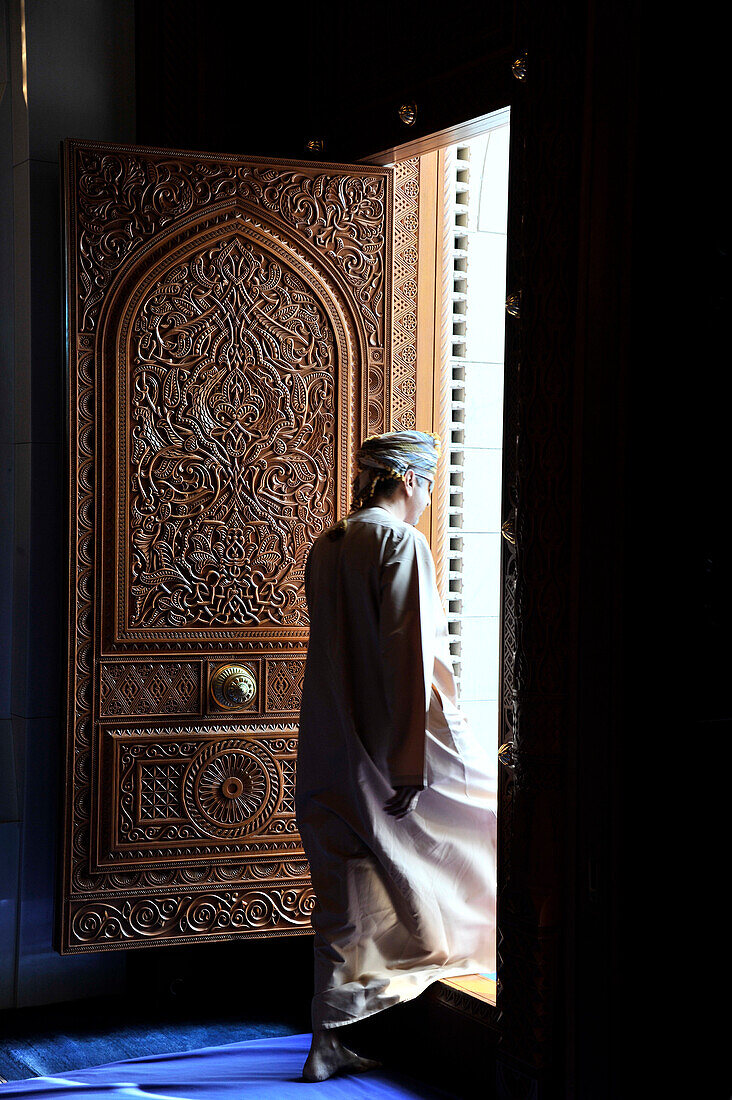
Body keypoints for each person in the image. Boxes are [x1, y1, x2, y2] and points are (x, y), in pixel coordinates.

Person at [295, 430, 497, 1083]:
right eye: (430, 484)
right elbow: (410, 655)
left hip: (330, 743)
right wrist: (413, 764)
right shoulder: (398, 542)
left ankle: (327, 1039)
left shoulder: (331, 544)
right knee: (482, 830)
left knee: (344, 895)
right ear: (408, 478)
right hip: (388, 746)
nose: (429, 499)